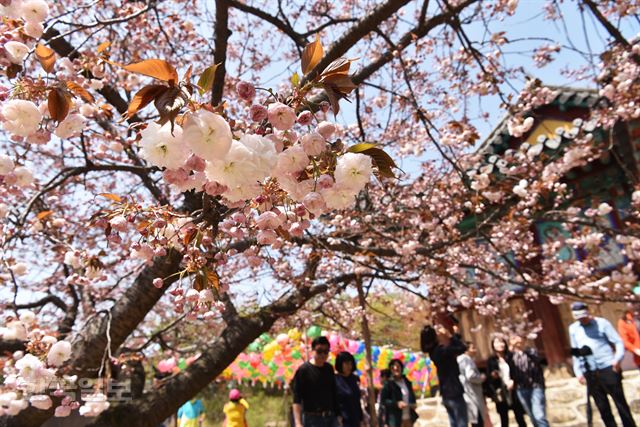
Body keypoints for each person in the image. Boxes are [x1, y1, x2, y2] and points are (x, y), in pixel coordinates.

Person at [569, 302, 636, 427]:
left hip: (608, 366)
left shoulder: (602, 323)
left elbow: (618, 342)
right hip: (590, 370)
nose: (582, 320)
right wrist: (578, 371)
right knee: (602, 406)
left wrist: (617, 360)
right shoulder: (573, 329)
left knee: (620, 402)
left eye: (583, 317)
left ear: (588, 313)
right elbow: (575, 351)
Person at [420, 324, 468, 427]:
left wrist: (455, 336)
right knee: (461, 423)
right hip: (454, 390)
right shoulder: (441, 351)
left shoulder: (434, 352)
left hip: (446, 392)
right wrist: (450, 335)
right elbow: (462, 348)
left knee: (454, 422)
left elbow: (454, 348)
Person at [292, 336, 339, 427]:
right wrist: (298, 423)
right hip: (312, 419)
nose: (323, 355)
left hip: (331, 417)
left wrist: (338, 415)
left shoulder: (329, 369)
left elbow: (333, 393)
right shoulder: (303, 370)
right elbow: (297, 398)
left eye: (326, 352)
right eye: (319, 351)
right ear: (312, 351)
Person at [509, 335, 549, 427]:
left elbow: (539, 360)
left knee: (539, 415)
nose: (517, 340)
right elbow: (507, 362)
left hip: (536, 386)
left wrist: (523, 348)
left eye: (519, 338)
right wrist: (511, 347)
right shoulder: (511, 355)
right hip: (521, 388)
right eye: (514, 338)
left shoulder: (531, 351)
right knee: (532, 416)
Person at [486, 337, 526, 427]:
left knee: (519, 416)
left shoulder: (511, 356)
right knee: (504, 418)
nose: (500, 345)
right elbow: (489, 377)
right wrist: (493, 376)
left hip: (514, 390)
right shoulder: (491, 360)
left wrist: (513, 381)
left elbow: (518, 371)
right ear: (493, 345)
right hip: (501, 391)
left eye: (502, 342)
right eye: (497, 342)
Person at [457, 342, 489, 427]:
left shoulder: (459, 359)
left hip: (467, 393)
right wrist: (481, 378)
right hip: (472, 394)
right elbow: (471, 376)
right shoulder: (466, 359)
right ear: (466, 350)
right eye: (473, 348)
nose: (475, 350)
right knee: (478, 421)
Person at [380, 359, 418, 427]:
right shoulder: (388, 384)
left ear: (401, 368)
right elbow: (383, 401)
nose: (395, 368)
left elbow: (411, 395)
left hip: (409, 418)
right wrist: (396, 403)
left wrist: (413, 403)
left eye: (398, 366)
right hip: (396, 420)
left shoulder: (407, 381)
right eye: (393, 367)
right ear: (391, 370)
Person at [334, 351, 364, 427]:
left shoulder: (354, 379)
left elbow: (357, 401)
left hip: (355, 419)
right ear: (340, 364)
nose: (349, 366)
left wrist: (361, 419)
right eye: (346, 363)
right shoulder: (335, 380)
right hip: (342, 420)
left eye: (350, 363)